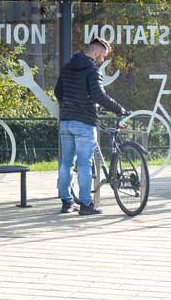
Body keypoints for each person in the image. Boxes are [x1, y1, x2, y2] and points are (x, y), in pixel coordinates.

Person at [54, 37, 129, 215]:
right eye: (103, 56)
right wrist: (119, 109)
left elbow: (58, 91)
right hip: (84, 123)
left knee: (66, 163)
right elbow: (99, 95)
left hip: (66, 121)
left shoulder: (67, 67)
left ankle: (66, 202)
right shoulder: (91, 70)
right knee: (85, 164)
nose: (102, 60)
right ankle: (86, 205)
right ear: (96, 52)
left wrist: (68, 105)